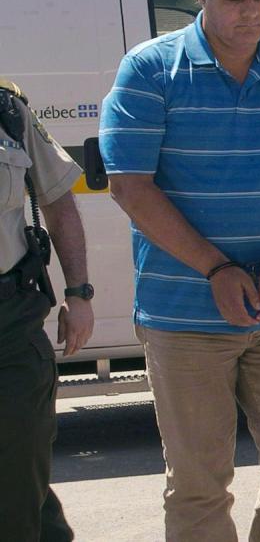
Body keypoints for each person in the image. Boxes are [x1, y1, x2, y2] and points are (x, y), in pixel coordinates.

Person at [99, 0, 260, 541]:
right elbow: (129, 186)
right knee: (201, 484)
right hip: (185, 313)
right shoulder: (151, 69)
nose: (251, 11)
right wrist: (217, 270)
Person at [1, 79, 94, 541]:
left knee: (18, 468)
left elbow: (58, 203)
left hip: (9, 325)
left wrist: (78, 294)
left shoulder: (5, 109)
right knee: (24, 495)